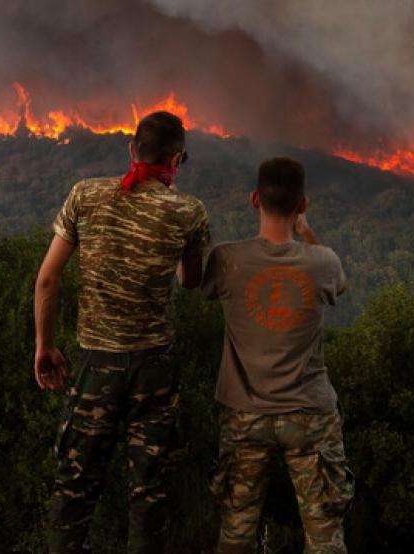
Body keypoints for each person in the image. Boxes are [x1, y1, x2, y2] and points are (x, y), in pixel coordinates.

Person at [33, 110, 211, 554]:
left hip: (96, 364)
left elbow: (47, 280)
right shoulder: (188, 211)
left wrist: (45, 345)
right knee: (149, 489)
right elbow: (189, 283)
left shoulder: (85, 195)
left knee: (74, 485)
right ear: (178, 158)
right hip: (154, 368)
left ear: (132, 149)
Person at [202, 157, 355, 554]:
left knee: (235, 531)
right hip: (310, 415)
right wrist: (307, 234)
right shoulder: (323, 262)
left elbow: (190, 280)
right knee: (325, 535)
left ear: (255, 199)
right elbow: (340, 285)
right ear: (302, 205)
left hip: (245, 415)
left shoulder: (226, 259)